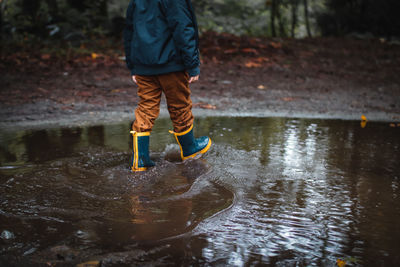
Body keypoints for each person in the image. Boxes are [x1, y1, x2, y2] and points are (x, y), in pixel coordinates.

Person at [123, 0, 212, 172]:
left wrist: (133, 65)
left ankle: (139, 160)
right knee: (180, 105)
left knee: (146, 107)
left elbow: (129, 31)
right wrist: (192, 64)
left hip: (143, 64)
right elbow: (183, 28)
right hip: (171, 64)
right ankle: (189, 149)